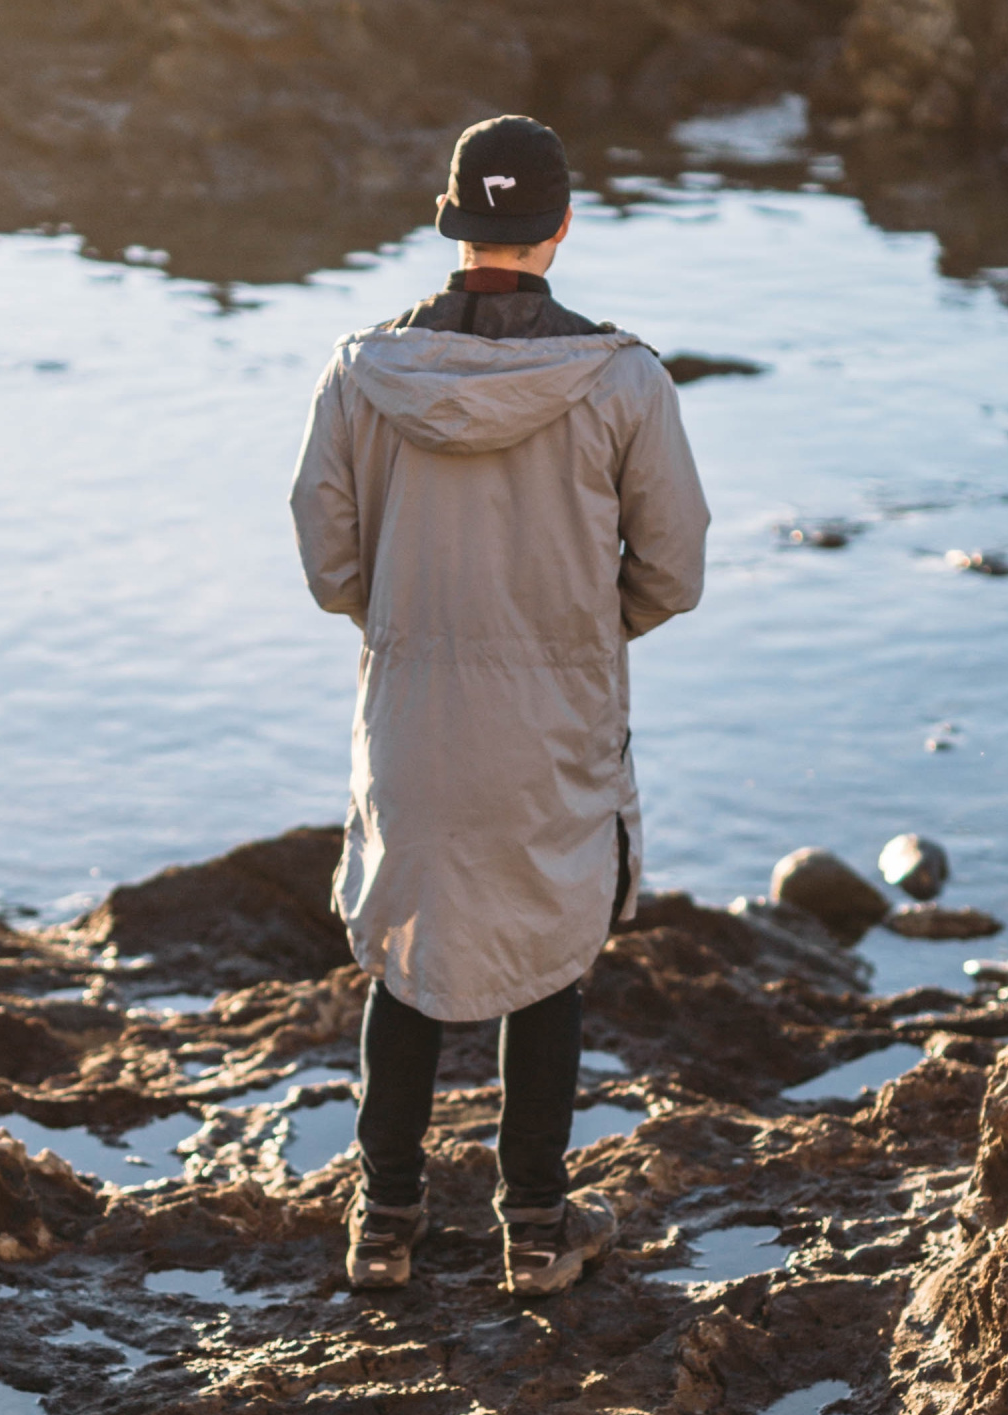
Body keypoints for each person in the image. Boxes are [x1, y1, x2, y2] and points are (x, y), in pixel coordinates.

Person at [288, 115, 710, 1296]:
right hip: (556, 712)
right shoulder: (621, 380)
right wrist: (574, 634)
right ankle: (534, 1227)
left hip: (411, 707)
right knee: (547, 953)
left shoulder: (362, 373)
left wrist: (413, 625)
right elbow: (674, 570)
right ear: (560, 226)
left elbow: (328, 565)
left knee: (407, 951)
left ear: (452, 222)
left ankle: (384, 1222)